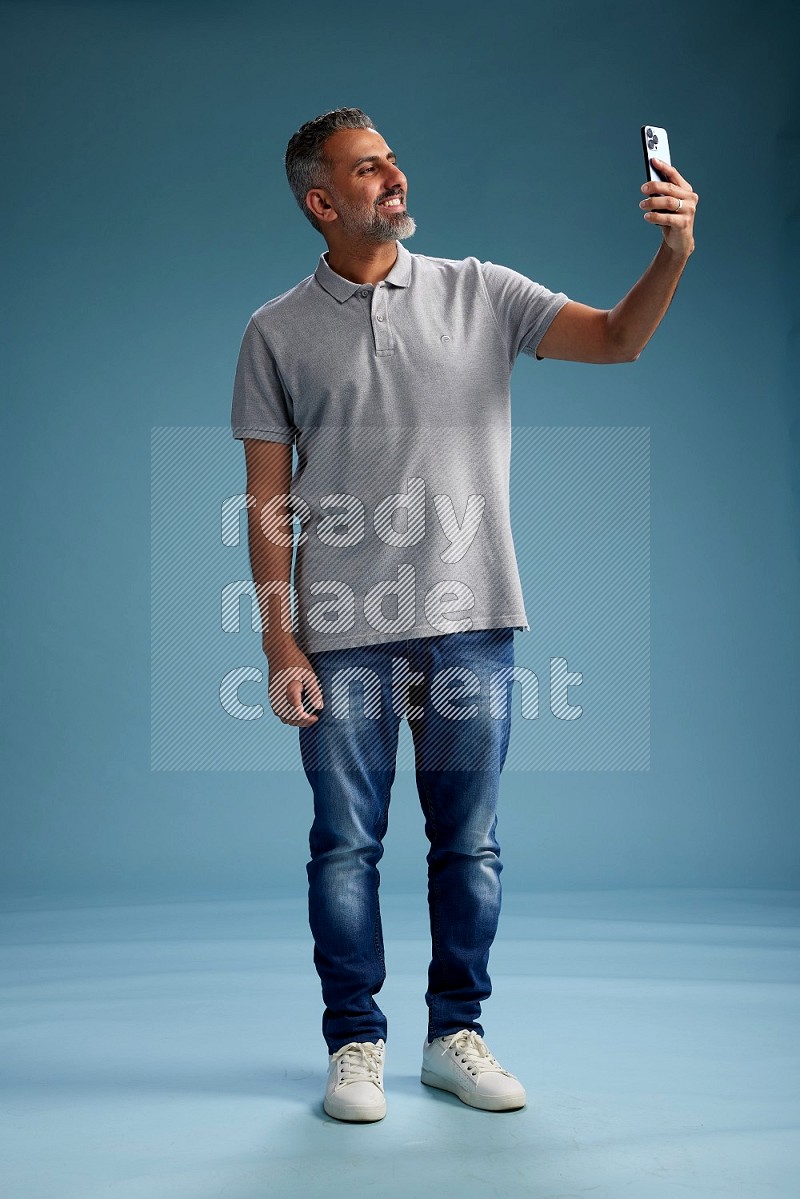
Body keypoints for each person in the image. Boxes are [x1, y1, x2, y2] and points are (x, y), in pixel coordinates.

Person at [231, 107, 697, 1123]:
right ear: (321, 201)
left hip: (472, 615)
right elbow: (268, 501)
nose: (393, 176)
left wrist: (672, 251)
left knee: (469, 844)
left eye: (392, 159)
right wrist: (278, 639)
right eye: (367, 168)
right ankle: (354, 1041)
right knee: (344, 846)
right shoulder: (274, 331)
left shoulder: (480, 290)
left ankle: (453, 1035)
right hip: (340, 630)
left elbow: (616, 341)